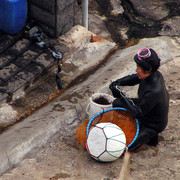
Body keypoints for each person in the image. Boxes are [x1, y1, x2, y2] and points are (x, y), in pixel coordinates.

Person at [109, 48, 169, 152]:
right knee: (116, 104)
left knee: (126, 148)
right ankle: (142, 131)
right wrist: (117, 83)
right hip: (145, 107)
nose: (136, 70)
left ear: (149, 69)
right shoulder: (152, 74)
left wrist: (121, 96)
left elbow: (138, 113)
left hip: (152, 124)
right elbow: (134, 78)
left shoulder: (154, 91)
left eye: (139, 67)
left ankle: (151, 135)